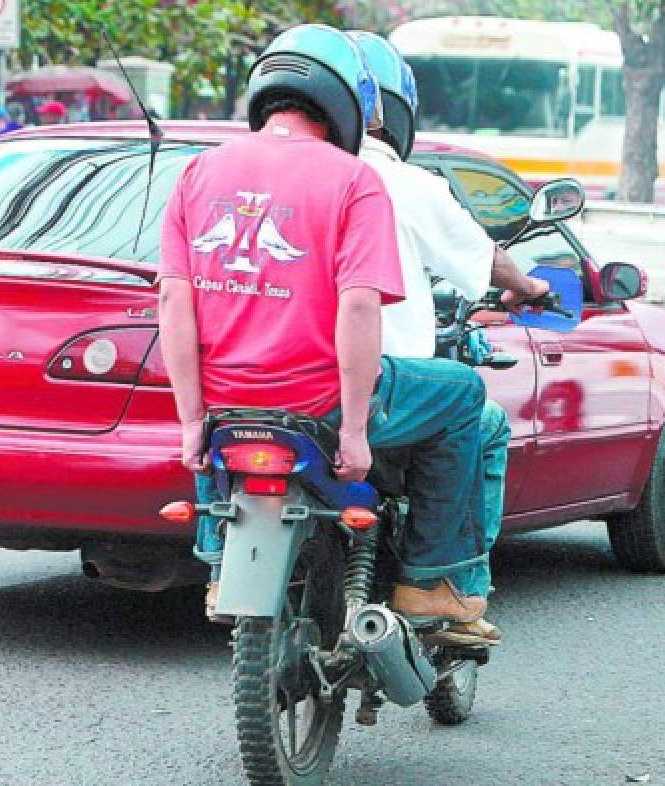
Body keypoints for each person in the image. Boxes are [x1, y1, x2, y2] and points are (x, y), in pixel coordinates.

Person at [158, 23, 493, 629]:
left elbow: (174, 306)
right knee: (465, 394)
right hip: (319, 404)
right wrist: (356, 431)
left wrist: (191, 423)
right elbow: (360, 308)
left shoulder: (197, 174)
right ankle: (429, 580)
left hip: (227, 411)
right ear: (346, 105)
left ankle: (220, 567)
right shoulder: (352, 180)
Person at [350, 31, 549, 646]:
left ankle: (222, 562)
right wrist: (530, 289)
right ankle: (443, 583)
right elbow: (487, 260)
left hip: (264, 383)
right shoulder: (398, 182)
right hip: (379, 388)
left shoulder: (254, 179)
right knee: (477, 412)